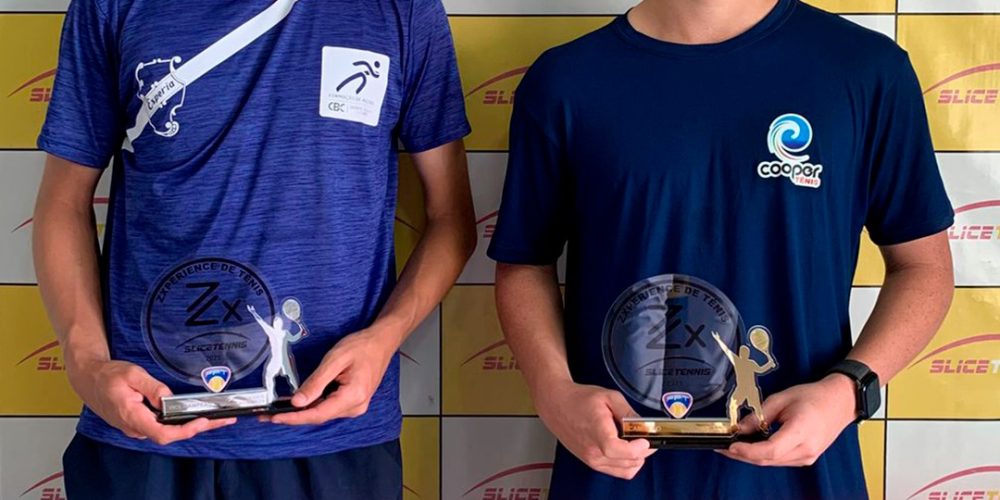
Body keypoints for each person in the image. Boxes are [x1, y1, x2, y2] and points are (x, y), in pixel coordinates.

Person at [487, 0, 955, 498]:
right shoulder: (565, 80)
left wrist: (847, 392)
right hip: (615, 473)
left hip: (803, 477)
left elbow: (922, 268)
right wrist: (553, 391)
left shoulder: (866, 69)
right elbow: (525, 262)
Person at [32, 0, 475, 498]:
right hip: (143, 424)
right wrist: (87, 363)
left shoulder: (403, 9)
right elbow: (63, 203)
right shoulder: (110, 6)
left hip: (328, 431)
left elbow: (451, 219)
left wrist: (383, 338)